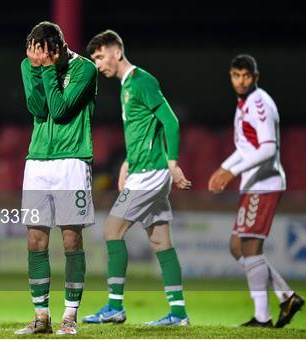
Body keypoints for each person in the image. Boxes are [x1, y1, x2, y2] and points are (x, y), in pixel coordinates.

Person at [83, 30, 192, 327]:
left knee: (111, 230)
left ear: (116, 51)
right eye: (94, 59)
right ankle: (178, 312)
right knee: (160, 241)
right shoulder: (126, 86)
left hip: (150, 174)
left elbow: (170, 120)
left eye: (100, 57)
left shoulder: (142, 81)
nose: (98, 64)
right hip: (142, 169)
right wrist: (126, 163)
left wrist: (172, 163)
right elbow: (144, 129)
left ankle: (114, 306)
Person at [208, 54, 305, 328]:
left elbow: (268, 148)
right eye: (236, 75)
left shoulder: (259, 103)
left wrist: (231, 172)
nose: (241, 81)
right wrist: (223, 167)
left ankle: (263, 317)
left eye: (246, 76)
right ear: (230, 76)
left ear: (255, 77)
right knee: (238, 247)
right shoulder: (244, 104)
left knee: (250, 247)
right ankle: (286, 296)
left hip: (265, 184)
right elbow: (246, 148)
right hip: (254, 184)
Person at [15, 21, 98, 335]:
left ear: (61, 47)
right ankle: (41, 316)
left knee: (70, 240)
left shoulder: (85, 70)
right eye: (35, 55)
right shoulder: (30, 65)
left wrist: (47, 70)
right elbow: (38, 109)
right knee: (35, 240)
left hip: (72, 162)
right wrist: (36, 70)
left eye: (47, 54)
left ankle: (70, 316)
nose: (40, 59)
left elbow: (60, 110)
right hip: (37, 162)